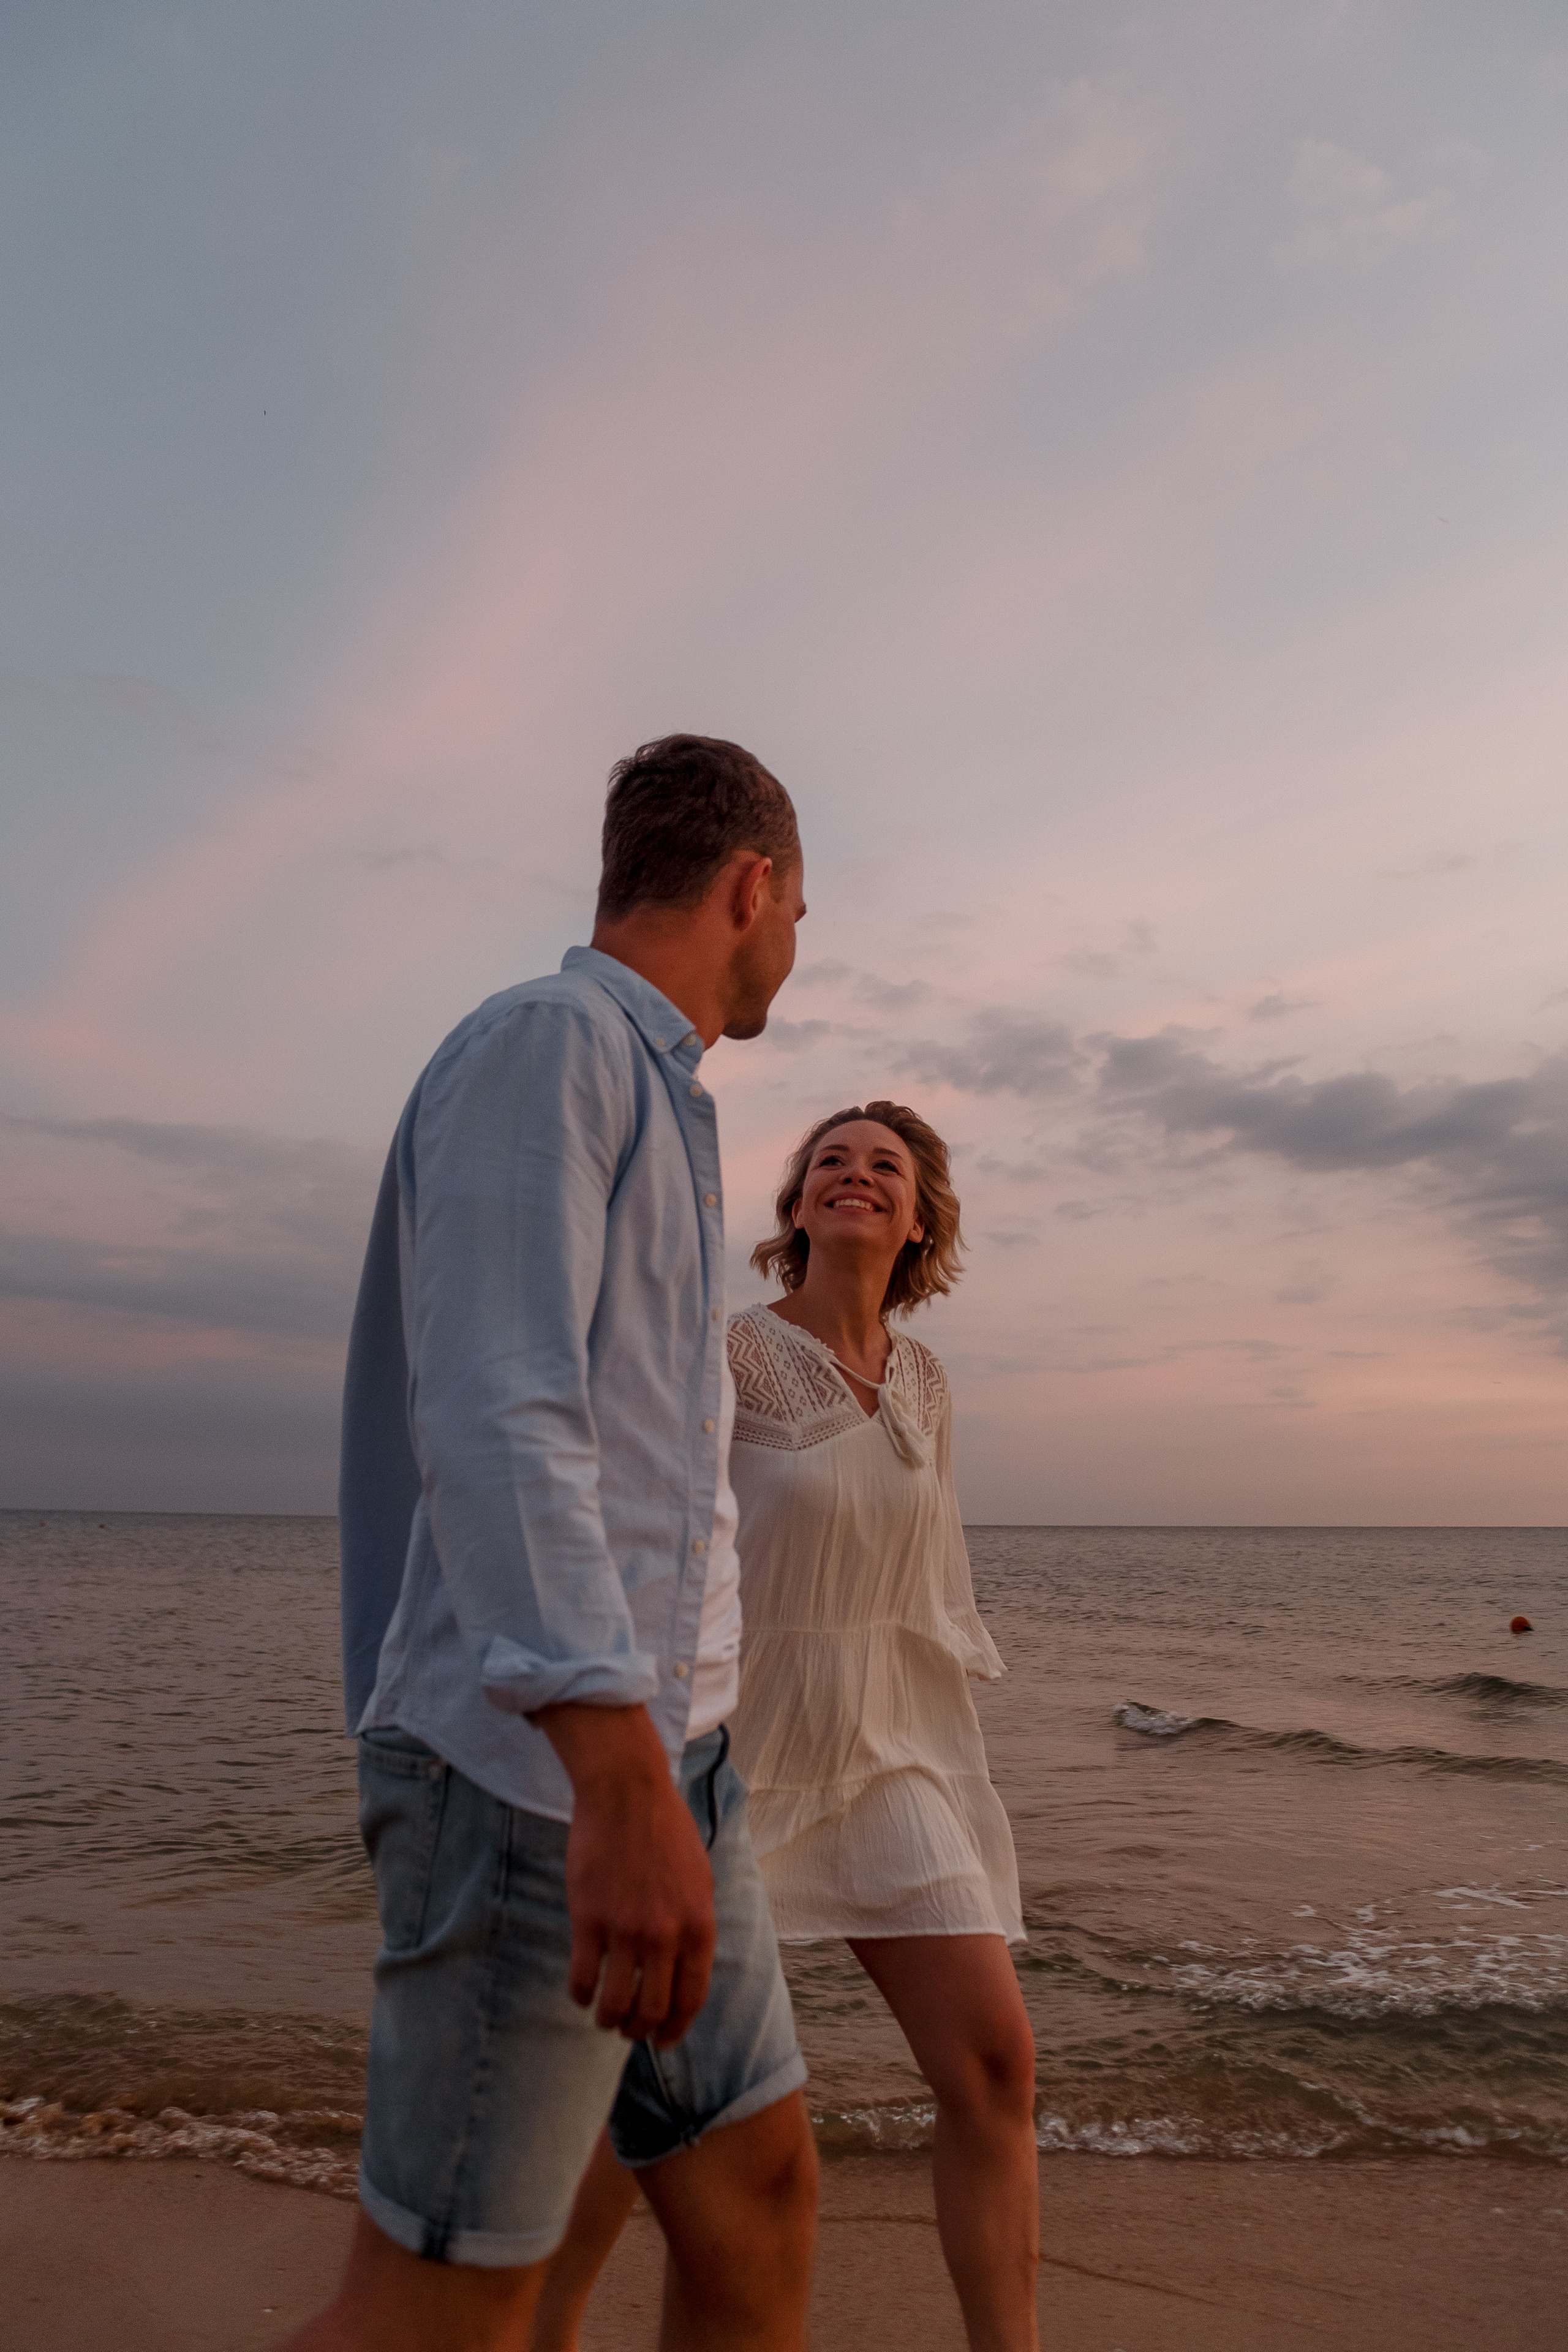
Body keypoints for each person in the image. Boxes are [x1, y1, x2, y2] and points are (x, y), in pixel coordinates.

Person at [285, 735, 816, 2352]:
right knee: (450, 2310)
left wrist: (676, 1769)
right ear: (753, 887)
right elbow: (503, 1412)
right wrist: (614, 1778)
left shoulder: (659, 1099)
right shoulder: (549, 1045)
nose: (797, 944)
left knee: (762, 2197)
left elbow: (647, 1473)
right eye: (803, 910)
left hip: (678, 1771)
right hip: (540, 1789)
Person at [531, 1101, 1039, 2352]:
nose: (853, 1177)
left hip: (896, 1747)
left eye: (884, 1168)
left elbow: (924, 1589)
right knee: (630, 2078)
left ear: (919, 1220)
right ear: (797, 1206)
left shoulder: (924, 1380)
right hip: (740, 1743)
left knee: (991, 2068)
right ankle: (533, 2333)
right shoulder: (729, 1358)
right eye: (830, 1163)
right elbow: (640, 1531)